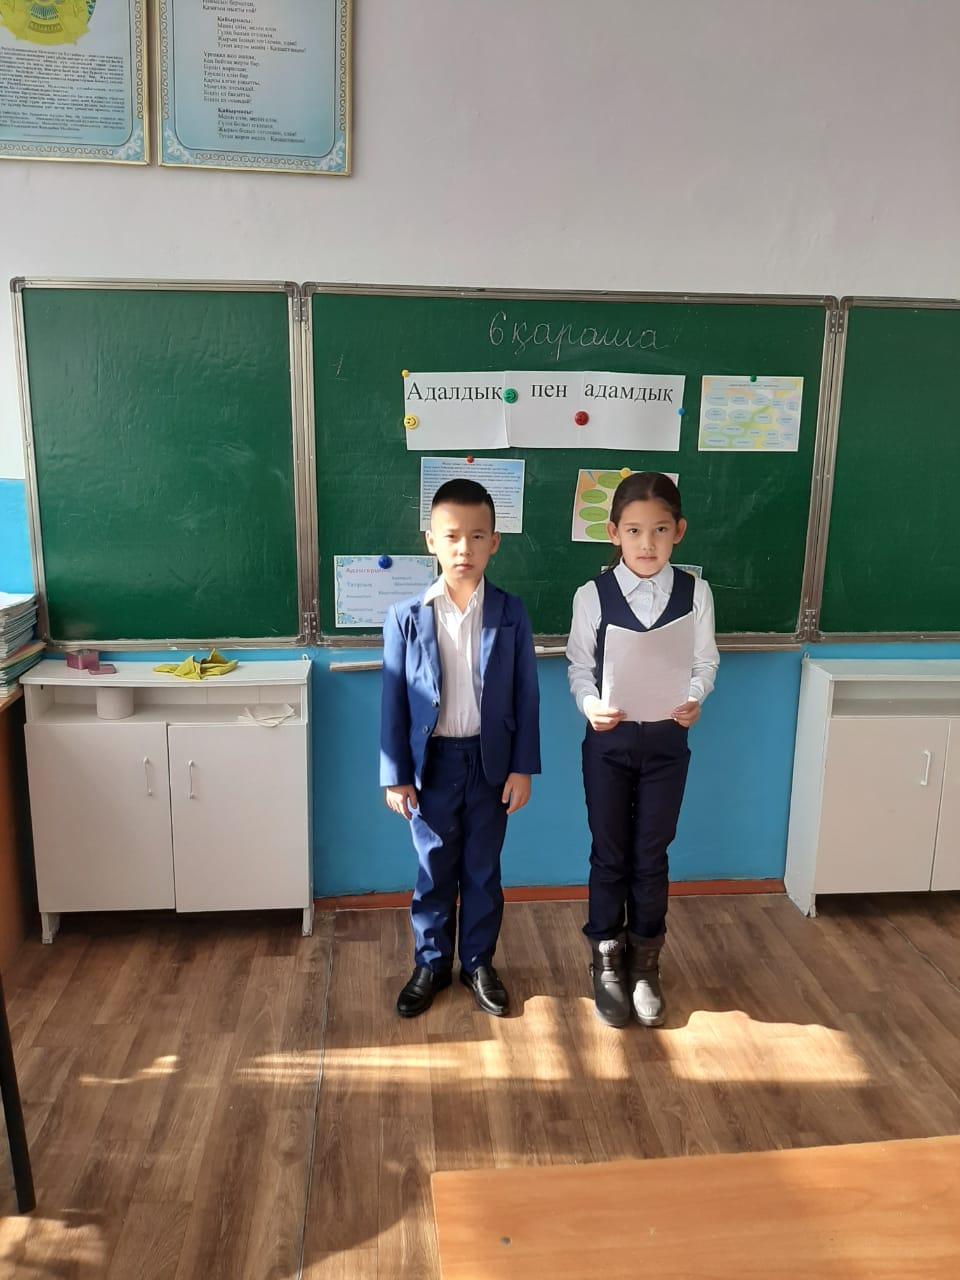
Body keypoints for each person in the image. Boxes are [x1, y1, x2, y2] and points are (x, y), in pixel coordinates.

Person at [381, 478, 540, 1018]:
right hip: (432, 765)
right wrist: (395, 774)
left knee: (482, 870)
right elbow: (393, 702)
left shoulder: (511, 613)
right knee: (433, 871)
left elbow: (526, 694)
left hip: (490, 764)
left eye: (476, 536)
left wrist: (522, 768)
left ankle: (477, 963)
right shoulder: (406, 617)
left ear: (494, 542)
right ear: (431, 541)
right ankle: (430, 964)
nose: (463, 549)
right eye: (451, 536)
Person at [566, 472, 719, 1028]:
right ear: (614, 534)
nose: (647, 543)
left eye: (659, 530)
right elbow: (579, 666)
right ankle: (607, 959)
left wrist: (696, 697)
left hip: (666, 744)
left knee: (651, 854)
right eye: (633, 531)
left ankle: (646, 963)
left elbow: (705, 661)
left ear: (679, 531)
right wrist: (589, 705)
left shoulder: (695, 592)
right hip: (609, 742)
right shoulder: (592, 595)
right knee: (610, 852)